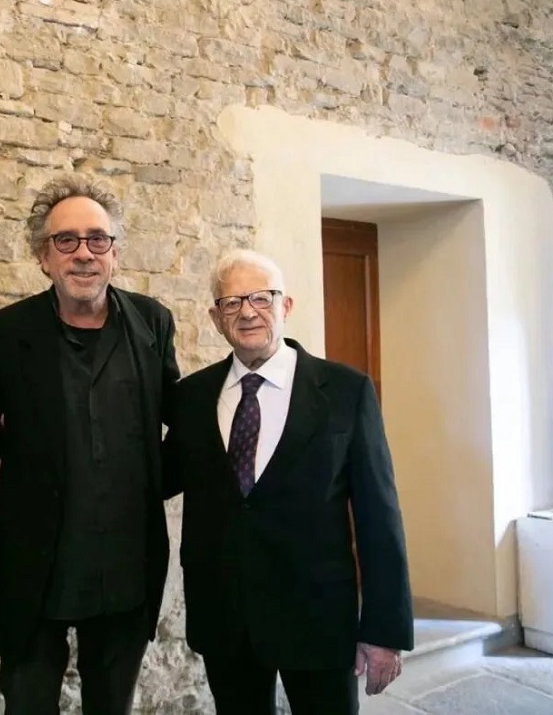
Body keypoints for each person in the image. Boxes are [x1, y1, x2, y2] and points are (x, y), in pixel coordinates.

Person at [163, 249, 414, 715]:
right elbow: (159, 477)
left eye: (261, 297)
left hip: (319, 618)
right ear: (216, 318)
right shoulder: (192, 397)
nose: (248, 312)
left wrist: (384, 630)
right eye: (232, 302)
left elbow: (380, 516)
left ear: (286, 306)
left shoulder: (346, 392)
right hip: (226, 619)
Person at [0, 175, 180, 714]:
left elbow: (178, 417)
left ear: (114, 252)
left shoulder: (153, 323)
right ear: (43, 257)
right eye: (66, 240)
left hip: (125, 568)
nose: (83, 253)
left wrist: (154, 482)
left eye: (97, 239)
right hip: (35, 568)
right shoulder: (3, 333)